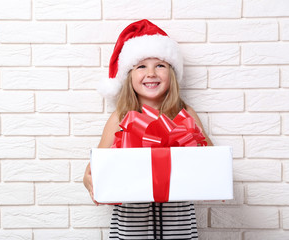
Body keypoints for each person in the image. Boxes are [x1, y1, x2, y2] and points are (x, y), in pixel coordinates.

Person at [83, 19, 213, 240]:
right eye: (141, 66)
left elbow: (211, 159)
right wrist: (89, 180)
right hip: (131, 223)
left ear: (171, 73)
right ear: (128, 76)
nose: (151, 73)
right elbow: (95, 167)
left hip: (177, 222)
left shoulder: (184, 113)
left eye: (160, 65)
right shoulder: (121, 117)